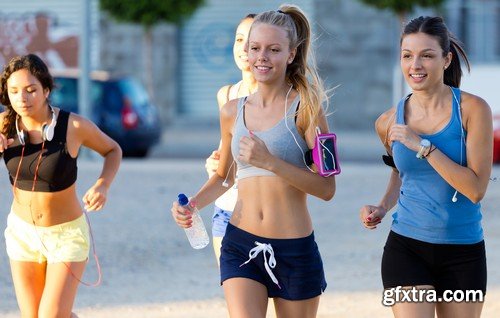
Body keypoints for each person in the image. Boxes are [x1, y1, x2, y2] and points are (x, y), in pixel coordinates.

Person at [172, 4, 335, 317]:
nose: (262, 57)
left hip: (294, 249)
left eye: (274, 49)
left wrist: (270, 162)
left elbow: (328, 188)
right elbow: (224, 177)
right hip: (240, 243)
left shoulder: (309, 110)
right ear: (246, 52)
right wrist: (192, 204)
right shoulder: (231, 110)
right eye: (255, 48)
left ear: (291, 54)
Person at [359, 16, 492, 318]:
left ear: (446, 59)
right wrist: (382, 206)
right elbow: (399, 172)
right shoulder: (388, 122)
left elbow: (475, 189)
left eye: (427, 55)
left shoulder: (473, 110)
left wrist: (424, 147)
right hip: (407, 247)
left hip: (463, 253)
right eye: (407, 55)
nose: (415, 65)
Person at [0, 54, 122, 317]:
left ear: (46, 90)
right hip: (22, 234)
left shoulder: (73, 126)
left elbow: (113, 149)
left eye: (31, 90)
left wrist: (103, 184)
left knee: (51, 315)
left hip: (65, 236)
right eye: (14, 91)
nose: (22, 97)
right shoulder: (4, 126)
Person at [205, 13, 258, 265]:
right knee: (234, 298)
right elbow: (225, 155)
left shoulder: (290, 100)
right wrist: (213, 164)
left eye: (253, 41)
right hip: (226, 209)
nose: (244, 48)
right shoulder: (226, 95)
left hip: (268, 214)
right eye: (239, 40)